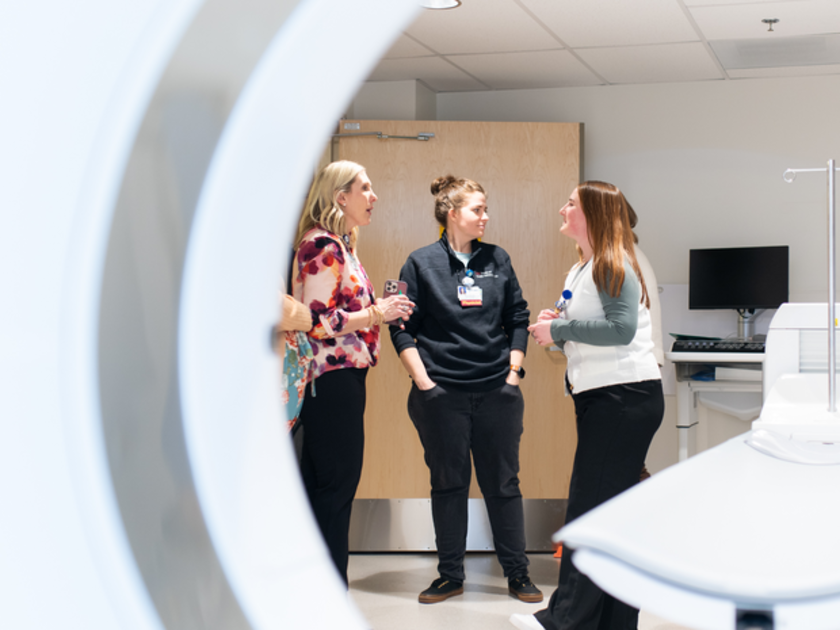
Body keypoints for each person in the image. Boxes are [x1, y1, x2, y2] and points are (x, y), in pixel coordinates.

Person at [513, 181, 664, 630]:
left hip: (623, 400)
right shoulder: (583, 267)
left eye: (571, 204)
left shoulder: (613, 263)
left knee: (589, 509)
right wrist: (558, 326)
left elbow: (620, 331)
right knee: (610, 513)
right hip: (609, 398)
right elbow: (592, 326)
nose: (562, 208)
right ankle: (612, 620)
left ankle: (565, 620)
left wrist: (559, 331)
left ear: (593, 214)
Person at [390, 175, 543, 605]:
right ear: (452, 214)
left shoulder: (498, 258)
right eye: (478, 209)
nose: (485, 217)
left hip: (498, 390)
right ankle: (450, 575)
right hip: (441, 396)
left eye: (486, 208)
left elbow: (518, 316)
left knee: (503, 484)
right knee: (448, 484)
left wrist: (514, 371)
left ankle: (518, 574)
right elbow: (401, 327)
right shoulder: (420, 263)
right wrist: (424, 382)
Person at [292, 160, 414, 585]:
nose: (374, 196)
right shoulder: (322, 246)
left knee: (326, 488)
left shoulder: (341, 246)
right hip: (330, 380)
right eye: (365, 187)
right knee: (334, 490)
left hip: (342, 379)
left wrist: (379, 312)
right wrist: (376, 313)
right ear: (340, 197)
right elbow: (316, 322)